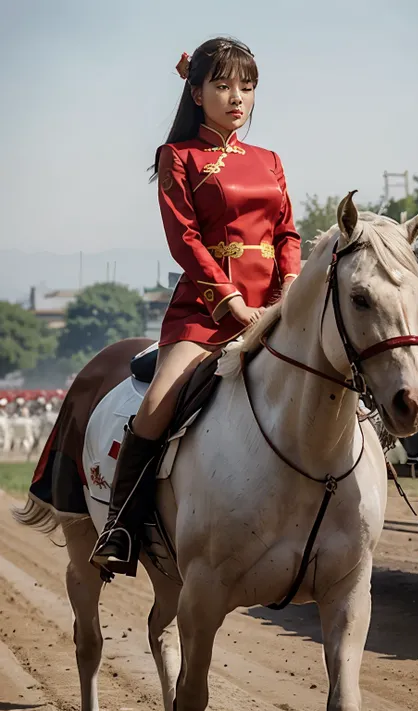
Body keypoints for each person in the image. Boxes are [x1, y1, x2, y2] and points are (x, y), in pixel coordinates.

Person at [90, 37, 301, 576]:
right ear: (196, 91)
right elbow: (184, 239)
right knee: (158, 403)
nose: (238, 98)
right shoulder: (177, 158)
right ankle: (120, 526)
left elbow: (286, 234)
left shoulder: (270, 161)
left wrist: (291, 291)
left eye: (247, 88)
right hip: (204, 313)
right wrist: (229, 302)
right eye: (224, 86)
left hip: (275, 309)